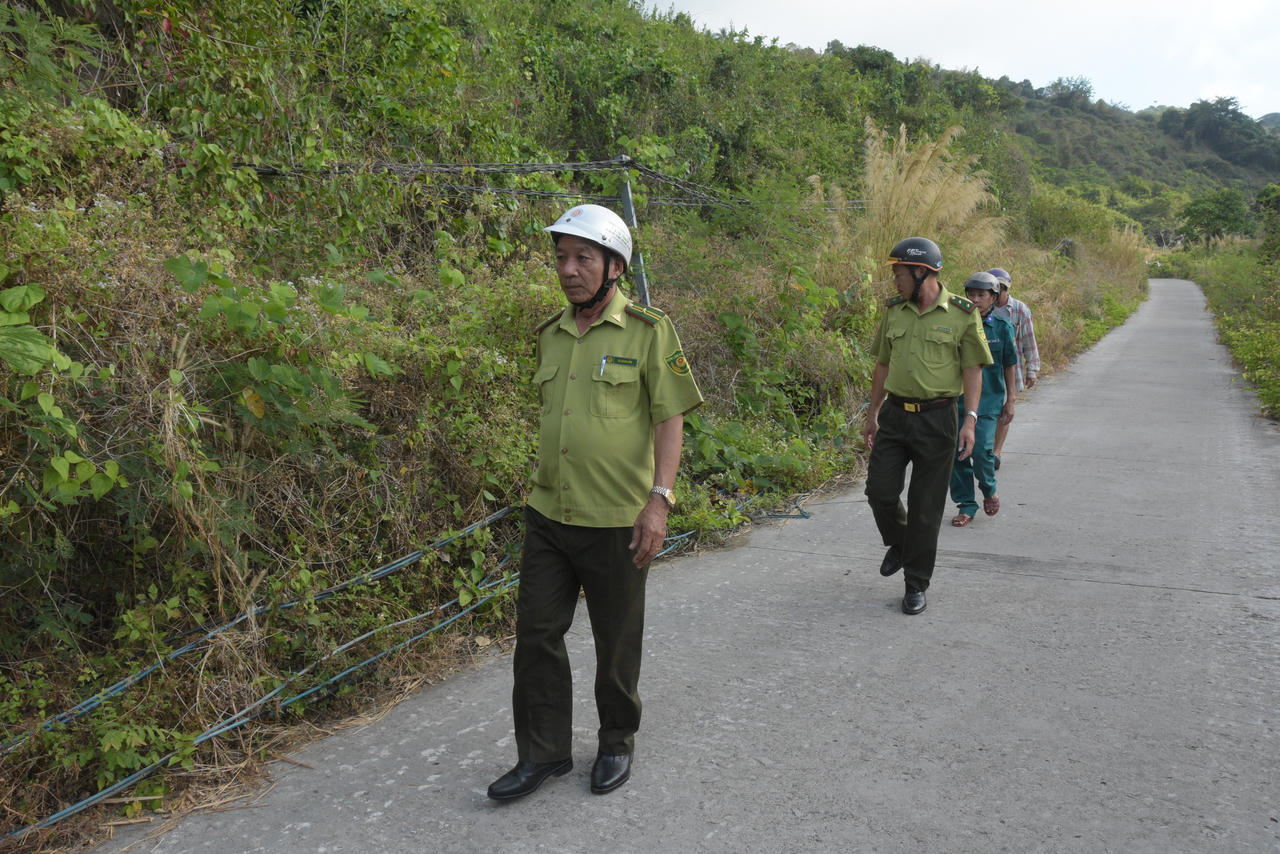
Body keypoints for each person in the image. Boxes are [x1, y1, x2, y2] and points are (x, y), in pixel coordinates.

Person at [488, 204, 703, 801]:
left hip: (617, 520)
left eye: (583, 257)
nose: (568, 269)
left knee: (615, 641)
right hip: (549, 514)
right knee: (536, 637)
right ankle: (544, 755)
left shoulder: (649, 330)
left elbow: (670, 418)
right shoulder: (550, 334)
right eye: (561, 257)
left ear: (614, 265)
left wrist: (659, 500)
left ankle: (615, 742)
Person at [862, 237, 991, 615]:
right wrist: (872, 413)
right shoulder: (894, 311)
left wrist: (969, 420)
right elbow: (882, 365)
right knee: (879, 491)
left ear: (923, 272)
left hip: (939, 419)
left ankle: (916, 584)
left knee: (926, 507)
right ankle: (901, 543)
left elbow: (973, 370)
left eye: (900, 273)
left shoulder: (963, 314)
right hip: (896, 415)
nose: (895, 281)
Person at [948, 272, 1017, 527]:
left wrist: (1011, 400)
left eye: (981, 295)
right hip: (957, 401)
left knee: (981, 452)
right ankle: (966, 504)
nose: (975, 300)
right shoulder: (955, 324)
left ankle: (988, 488)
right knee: (957, 455)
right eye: (971, 294)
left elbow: (1009, 365)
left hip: (988, 404)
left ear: (994, 298)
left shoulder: (1002, 327)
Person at [988, 267, 1040, 470]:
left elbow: (1029, 340)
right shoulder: (981, 307)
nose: (997, 292)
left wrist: (1032, 369)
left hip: (1009, 367)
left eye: (1001, 288)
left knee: (1005, 407)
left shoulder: (1019, 310)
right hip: (985, 367)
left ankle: (996, 451)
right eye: (994, 288)